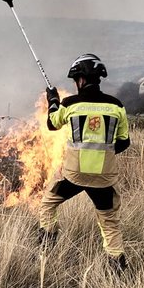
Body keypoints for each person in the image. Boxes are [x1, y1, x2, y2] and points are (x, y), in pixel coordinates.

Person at [38, 53, 131, 272]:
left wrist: (52, 101)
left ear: (80, 80)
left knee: (48, 204)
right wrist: (102, 157)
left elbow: (52, 124)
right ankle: (117, 269)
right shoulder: (117, 106)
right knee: (109, 224)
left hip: (74, 175)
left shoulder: (70, 104)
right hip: (104, 178)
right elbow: (124, 142)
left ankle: (45, 251)